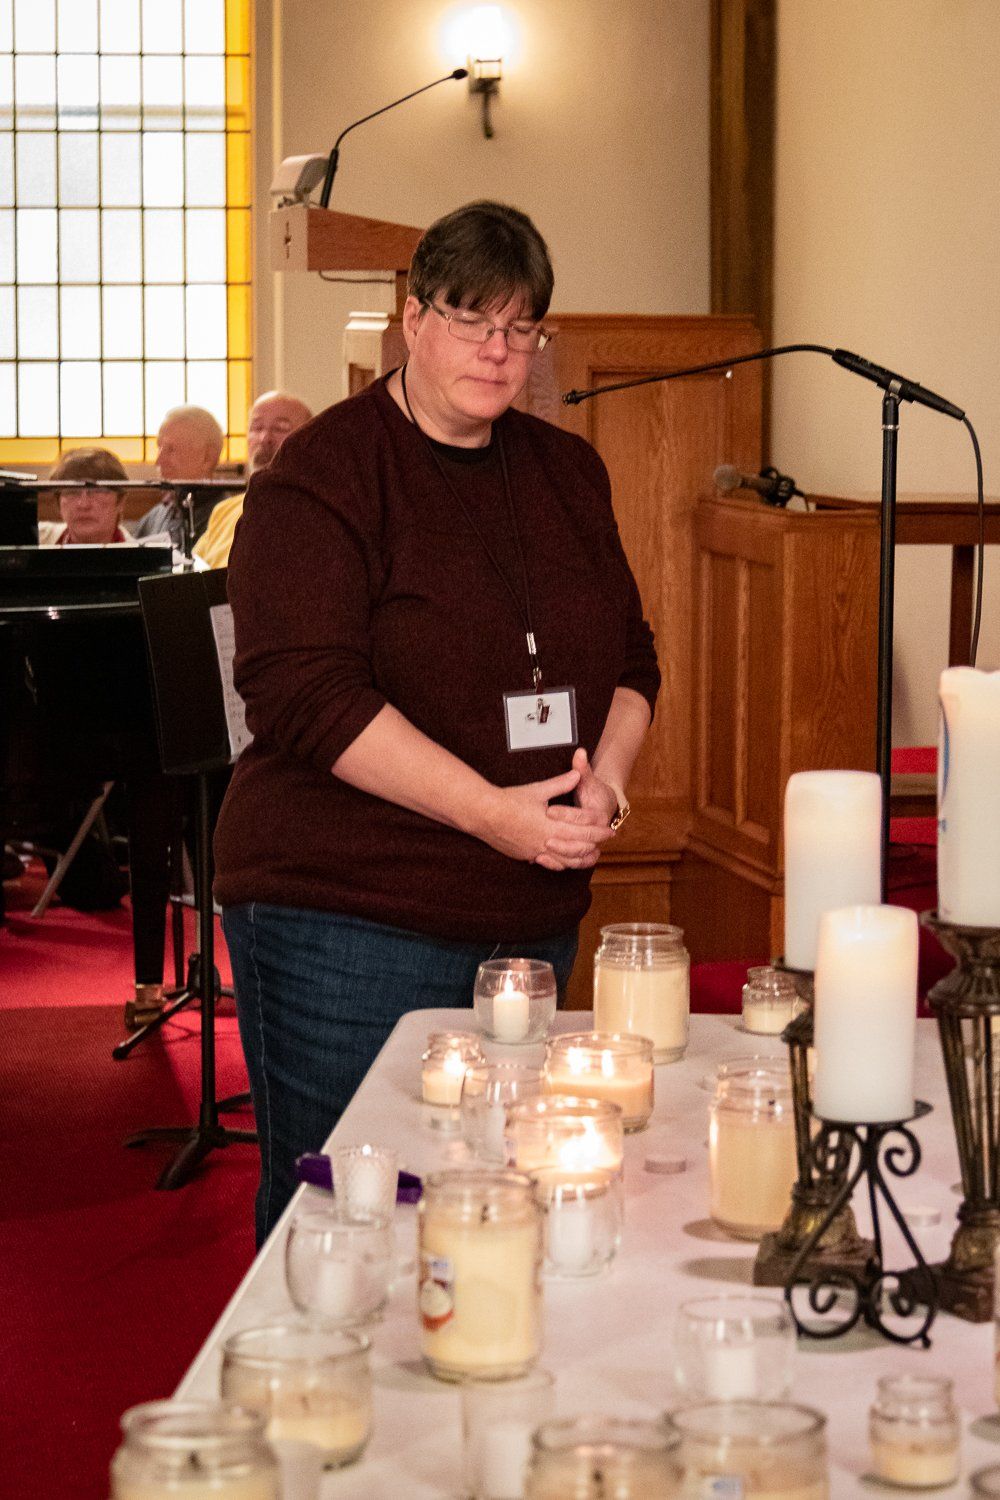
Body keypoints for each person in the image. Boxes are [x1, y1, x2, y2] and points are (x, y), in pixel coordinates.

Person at [215, 200, 661, 1244]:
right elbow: (303, 694)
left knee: (488, 1209)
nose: (498, 352)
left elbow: (632, 658)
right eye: (471, 321)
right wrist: (489, 815)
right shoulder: (323, 476)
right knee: (347, 1220)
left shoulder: (565, 470)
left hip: (528, 906)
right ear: (411, 319)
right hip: (347, 912)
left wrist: (610, 778)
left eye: (522, 329)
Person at [194, 391, 313, 570]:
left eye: (281, 428)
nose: (265, 439)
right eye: (256, 428)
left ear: (307, 439)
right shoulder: (223, 512)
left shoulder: (313, 514)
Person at [132, 405, 224, 549]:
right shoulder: (155, 517)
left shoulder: (228, 518)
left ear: (208, 457)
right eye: (159, 448)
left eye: (170, 449)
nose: (159, 461)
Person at [39, 448, 130, 545]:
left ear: (121, 501)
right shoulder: (39, 538)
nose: (84, 505)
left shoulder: (141, 554)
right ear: (58, 502)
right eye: (72, 492)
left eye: (97, 491)